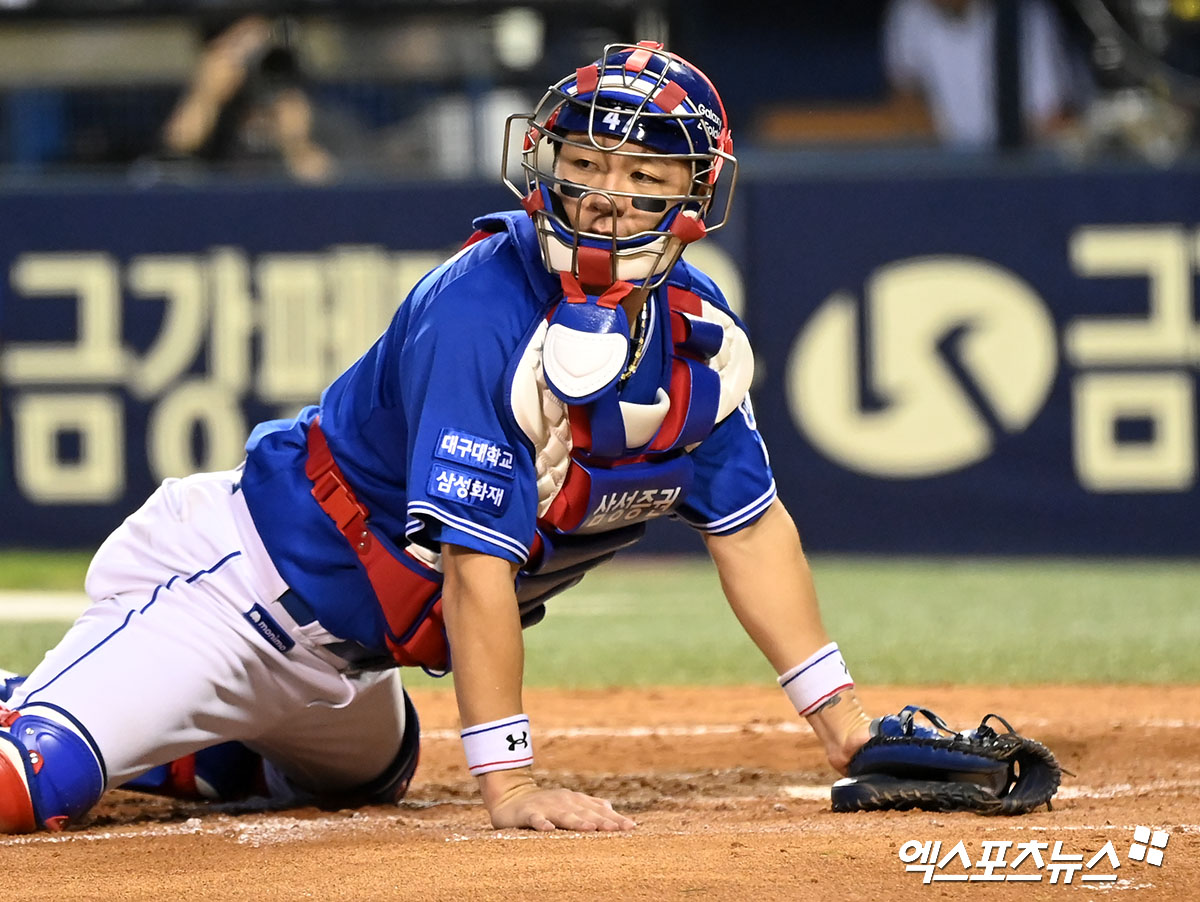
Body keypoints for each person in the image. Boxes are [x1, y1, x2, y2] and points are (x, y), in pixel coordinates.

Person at [0, 41, 873, 835]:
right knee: (27, 783)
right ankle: (53, 711)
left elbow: (752, 531)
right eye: (585, 161)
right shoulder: (480, 307)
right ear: (545, 166)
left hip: (353, 667)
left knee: (374, 776)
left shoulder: (696, 337)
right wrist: (514, 784)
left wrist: (844, 724)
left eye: (644, 171)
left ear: (694, 192)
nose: (608, 195)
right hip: (237, 592)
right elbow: (473, 567)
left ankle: (185, 738)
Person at [758, 0, 1085, 150]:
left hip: (1020, 169)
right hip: (949, 168)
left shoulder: (1024, 14)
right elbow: (907, 108)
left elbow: (1054, 122)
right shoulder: (909, 13)